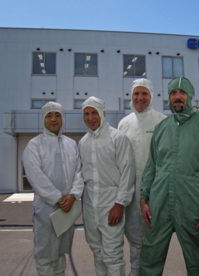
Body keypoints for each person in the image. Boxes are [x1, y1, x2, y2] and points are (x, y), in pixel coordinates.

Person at [139, 77, 199, 276]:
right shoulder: (162, 128)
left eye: (182, 92)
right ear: (169, 98)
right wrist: (144, 198)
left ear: (190, 96)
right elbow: (151, 166)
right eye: (173, 93)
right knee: (150, 256)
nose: (177, 97)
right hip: (159, 203)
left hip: (192, 205)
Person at [22, 101, 84, 276]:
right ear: (43, 119)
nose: (54, 119)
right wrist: (58, 198)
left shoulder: (71, 144)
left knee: (60, 256)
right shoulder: (35, 145)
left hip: (66, 211)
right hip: (46, 212)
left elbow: (79, 172)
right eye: (49, 115)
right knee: (45, 257)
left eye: (57, 115)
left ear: (62, 118)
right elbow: (36, 176)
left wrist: (73, 195)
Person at [79, 96, 136, 276]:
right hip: (89, 207)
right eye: (86, 114)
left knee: (112, 256)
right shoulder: (83, 142)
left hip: (111, 205)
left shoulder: (117, 138)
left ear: (103, 114)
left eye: (94, 113)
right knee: (97, 252)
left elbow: (128, 172)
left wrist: (120, 204)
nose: (90, 118)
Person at [118, 78, 166, 276]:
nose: (140, 98)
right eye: (136, 93)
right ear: (131, 96)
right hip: (129, 193)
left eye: (144, 94)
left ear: (151, 96)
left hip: (155, 193)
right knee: (134, 240)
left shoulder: (162, 122)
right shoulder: (124, 124)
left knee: (153, 241)